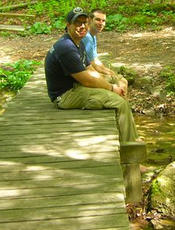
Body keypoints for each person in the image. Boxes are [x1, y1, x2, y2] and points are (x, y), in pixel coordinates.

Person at [44, 7, 138, 142]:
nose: (82, 26)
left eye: (85, 22)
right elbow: (87, 80)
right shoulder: (66, 48)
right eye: (78, 23)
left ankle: (125, 128)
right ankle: (131, 147)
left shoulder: (77, 42)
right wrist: (111, 88)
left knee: (118, 84)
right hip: (64, 95)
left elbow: (90, 70)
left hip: (76, 85)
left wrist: (109, 83)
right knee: (120, 102)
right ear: (68, 25)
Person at [82, 8, 129, 94]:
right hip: (85, 75)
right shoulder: (87, 37)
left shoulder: (93, 35)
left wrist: (109, 71)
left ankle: (123, 105)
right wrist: (110, 73)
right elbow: (93, 65)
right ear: (89, 20)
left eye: (103, 21)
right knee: (122, 83)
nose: (101, 23)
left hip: (90, 72)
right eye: (98, 20)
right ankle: (122, 105)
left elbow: (96, 60)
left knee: (123, 82)